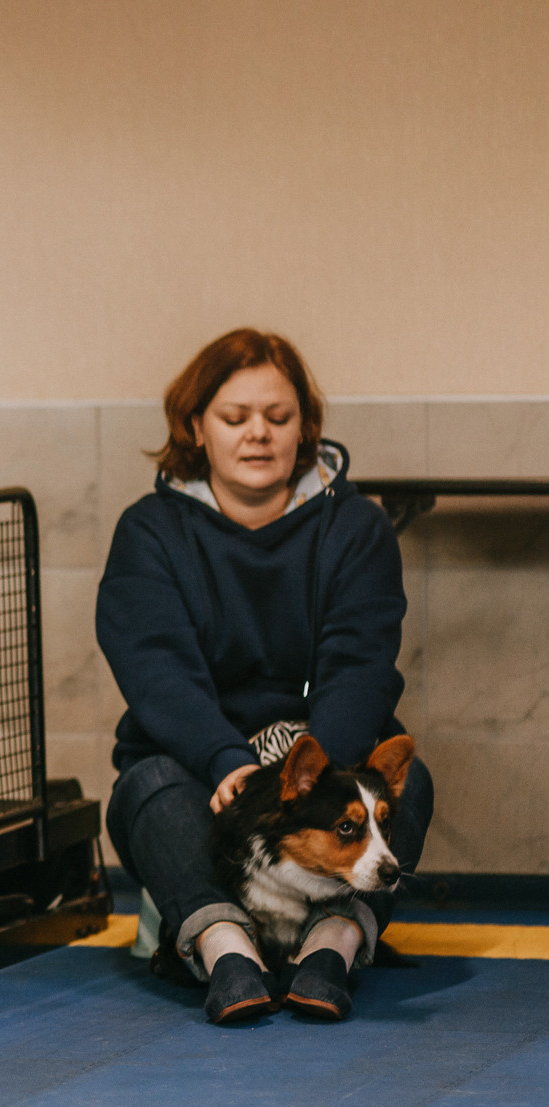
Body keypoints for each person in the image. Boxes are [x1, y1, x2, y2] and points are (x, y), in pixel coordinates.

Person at [96, 328, 434, 1025]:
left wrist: (322, 773)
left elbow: (360, 660)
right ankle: (228, 955)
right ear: (195, 426)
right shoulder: (150, 530)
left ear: (306, 428)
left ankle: (331, 952)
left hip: (320, 770)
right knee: (146, 787)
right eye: (235, 417)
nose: (258, 435)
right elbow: (156, 668)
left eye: (278, 419)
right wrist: (224, 759)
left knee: (414, 782)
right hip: (200, 768)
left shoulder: (357, 527)